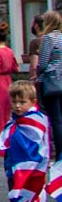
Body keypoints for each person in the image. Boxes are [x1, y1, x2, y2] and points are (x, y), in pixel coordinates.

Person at [32, 11, 62, 160]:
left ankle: (58, 153)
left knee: (55, 119)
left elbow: (43, 63)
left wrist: (37, 74)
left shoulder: (49, 38)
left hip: (51, 81)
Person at [0, 23, 19, 149]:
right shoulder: (9, 51)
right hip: (8, 81)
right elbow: (15, 68)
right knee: (6, 114)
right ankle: (6, 142)